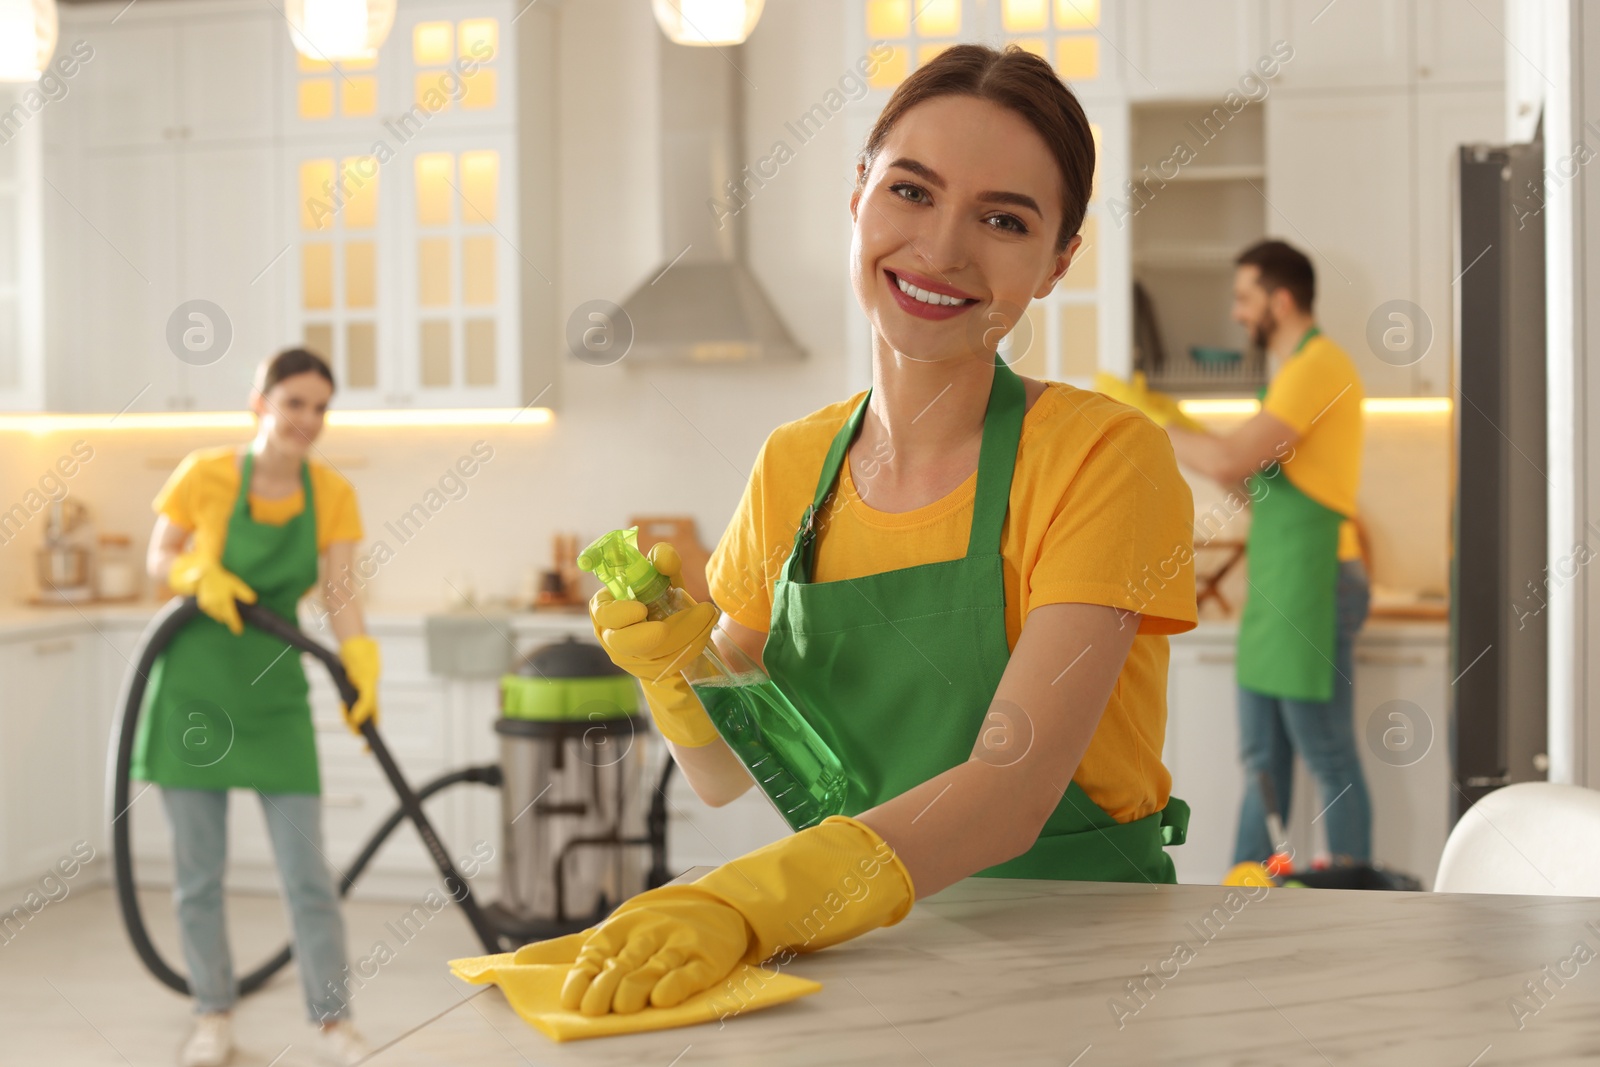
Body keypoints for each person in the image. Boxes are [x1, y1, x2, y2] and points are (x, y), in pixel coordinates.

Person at [555, 44, 1198, 1018]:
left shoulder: (1102, 456)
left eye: (1002, 218)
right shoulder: (793, 465)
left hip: (1082, 964)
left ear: (1057, 259)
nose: (941, 249)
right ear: (857, 193)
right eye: (911, 190)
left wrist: (744, 896)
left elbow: (1012, 784)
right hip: (859, 948)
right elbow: (726, 770)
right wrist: (674, 675)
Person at [132, 348, 378, 1066]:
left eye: (320, 407)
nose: (308, 418)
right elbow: (158, 557)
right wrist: (193, 570)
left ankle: (335, 1022)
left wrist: (359, 661)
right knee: (198, 873)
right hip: (194, 690)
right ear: (260, 403)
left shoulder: (332, 492)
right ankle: (212, 1015)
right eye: (295, 401)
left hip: (275, 692)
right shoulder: (204, 473)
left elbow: (339, 591)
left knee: (308, 871)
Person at [1146, 240, 1371, 867]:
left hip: (1318, 579)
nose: (1238, 313)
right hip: (1280, 583)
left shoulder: (1316, 367)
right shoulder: (1289, 374)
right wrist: (1189, 433)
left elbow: (1227, 460)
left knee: (1327, 756)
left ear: (1281, 298)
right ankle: (1247, 893)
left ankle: (1352, 895)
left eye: (1245, 299)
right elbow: (1249, 485)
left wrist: (1153, 423)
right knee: (1262, 761)